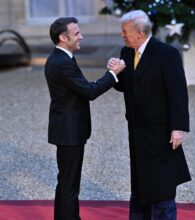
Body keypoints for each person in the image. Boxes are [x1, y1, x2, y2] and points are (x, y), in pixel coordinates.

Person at [109, 10, 191, 220]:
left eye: (124, 31)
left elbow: (178, 93)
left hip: (160, 130)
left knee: (161, 185)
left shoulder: (166, 53)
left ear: (139, 33)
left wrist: (178, 127)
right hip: (136, 130)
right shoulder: (127, 52)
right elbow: (127, 86)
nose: (122, 35)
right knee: (139, 181)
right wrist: (115, 74)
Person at [44, 17, 125, 220]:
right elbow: (89, 91)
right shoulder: (62, 62)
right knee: (69, 184)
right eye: (77, 33)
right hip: (69, 132)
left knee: (66, 181)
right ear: (63, 37)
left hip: (67, 129)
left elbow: (80, 87)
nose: (82, 36)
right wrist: (113, 74)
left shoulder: (62, 58)